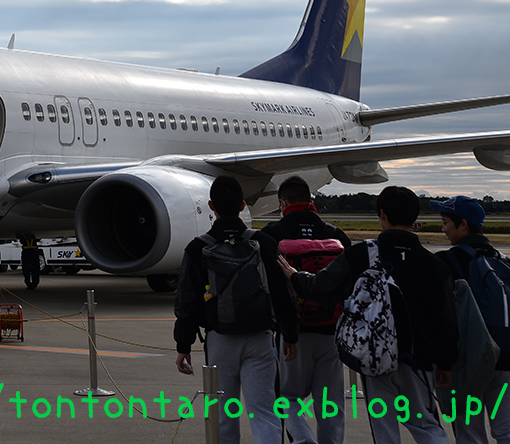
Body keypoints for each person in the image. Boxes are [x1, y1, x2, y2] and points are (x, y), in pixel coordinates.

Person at [280, 185, 457, 444]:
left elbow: (322, 288)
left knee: (384, 429)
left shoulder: (364, 254)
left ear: (382, 214)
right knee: (426, 425)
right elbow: (445, 319)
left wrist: (296, 277)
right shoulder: (434, 264)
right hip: (419, 359)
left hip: (376, 356)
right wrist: (446, 360)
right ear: (414, 217)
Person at [174, 175, 299, 444]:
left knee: (222, 415)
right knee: (265, 413)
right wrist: (290, 335)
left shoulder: (199, 247)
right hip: (260, 337)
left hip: (220, 339)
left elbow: (187, 300)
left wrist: (183, 344)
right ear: (243, 206)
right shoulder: (263, 242)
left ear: (211, 205)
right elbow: (281, 292)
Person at [260, 176, 351, 444]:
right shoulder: (334, 234)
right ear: (310, 200)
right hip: (331, 332)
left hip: (293, 334)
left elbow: (269, 287)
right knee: (331, 403)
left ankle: (302, 440)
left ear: (283, 202)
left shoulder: (272, 235)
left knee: (287, 397)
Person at [431, 195, 510, 444]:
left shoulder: (447, 260)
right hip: (505, 356)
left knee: (469, 433)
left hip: (468, 361)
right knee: (505, 429)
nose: (443, 229)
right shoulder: (501, 260)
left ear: (462, 224)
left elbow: (440, 312)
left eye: (446, 223)